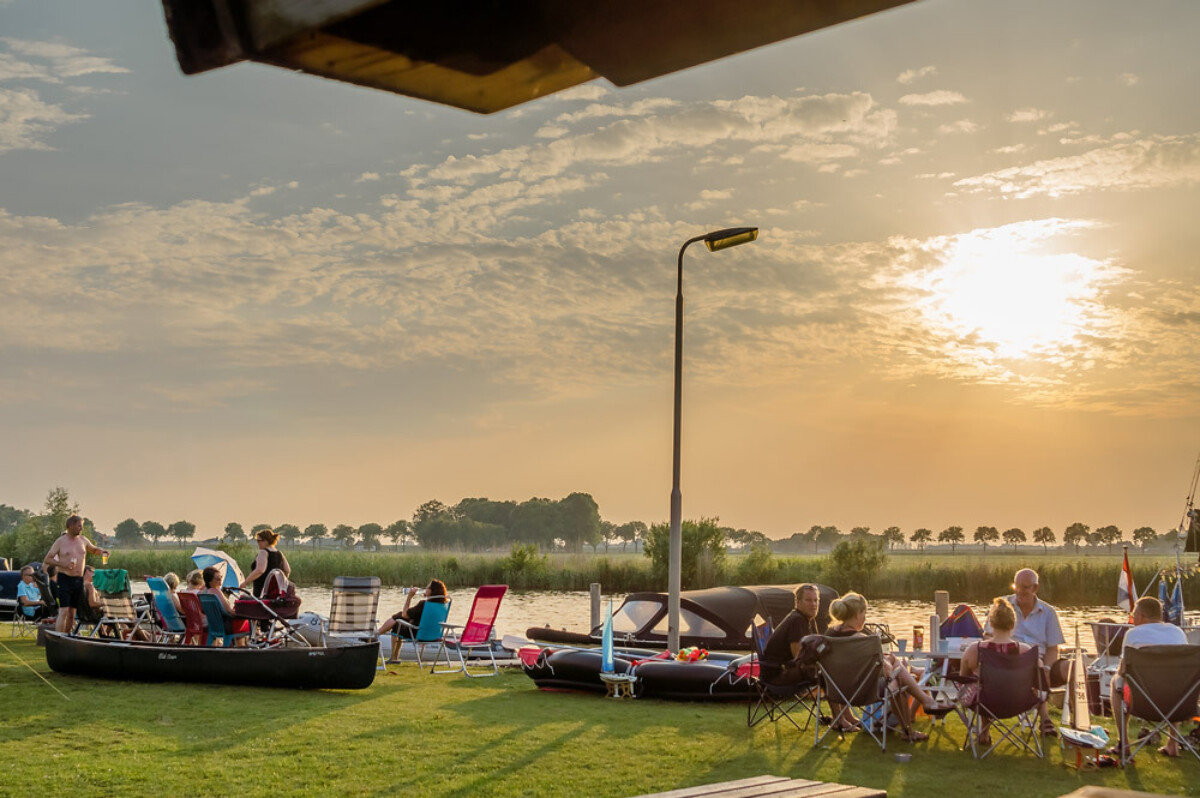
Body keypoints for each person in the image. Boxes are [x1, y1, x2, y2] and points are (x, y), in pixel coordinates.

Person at [825, 592, 945, 740]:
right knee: (897, 679)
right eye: (864, 613)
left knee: (895, 671)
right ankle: (914, 722)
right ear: (857, 614)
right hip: (865, 693)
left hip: (837, 691)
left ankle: (924, 704)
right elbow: (885, 671)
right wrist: (891, 660)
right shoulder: (862, 641)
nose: (865, 618)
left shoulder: (829, 635)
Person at [1110, 596, 1189, 757]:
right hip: (1177, 703)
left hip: (1142, 703)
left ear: (1140, 615)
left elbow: (1122, 671)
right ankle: (1172, 744)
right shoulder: (1178, 632)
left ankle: (1123, 743)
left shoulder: (1133, 634)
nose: (1132, 618)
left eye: (1133, 614)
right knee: (1176, 684)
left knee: (1115, 682)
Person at [993, 568, 1067, 735]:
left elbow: (1052, 648)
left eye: (1025, 587)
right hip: (1009, 661)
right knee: (1030, 667)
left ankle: (1079, 724)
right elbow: (988, 637)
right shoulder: (1003, 607)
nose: (1020, 591)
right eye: (1017, 586)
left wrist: (1047, 668)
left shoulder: (1048, 612)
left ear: (1035, 588)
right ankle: (1045, 718)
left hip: (1041, 661)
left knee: (1073, 668)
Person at [958, 597, 1035, 748]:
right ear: (1013, 625)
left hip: (984, 702)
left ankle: (984, 733)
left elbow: (963, 678)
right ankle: (985, 733)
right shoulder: (1026, 651)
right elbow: (1039, 678)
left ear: (991, 624)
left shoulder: (975, 649)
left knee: (981, 686)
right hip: (1018, 702)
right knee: (990, 686)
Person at [43, 514, 109, 634]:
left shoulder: (83, 540)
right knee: (63, 610)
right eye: (79, 526)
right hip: (64, 578)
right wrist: (63, 564)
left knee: (72, 613)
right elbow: (48, 559)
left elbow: (93, 549)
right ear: (70, 525)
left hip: (78, 580)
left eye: (81, 526)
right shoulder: (60, 541)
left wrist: (102, 551)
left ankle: (67, 636)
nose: (81, 528)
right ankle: (59, 637)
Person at [761, 584, 821, 683]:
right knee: (825, 673)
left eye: (816, 600)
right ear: (797, 602)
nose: (813, 604)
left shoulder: (808, 619)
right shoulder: (797, 620)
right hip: (777, 675)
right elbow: (798, 657)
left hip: (784, 670)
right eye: (808, 600)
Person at [378, 579, 449, 638]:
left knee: (397, 624)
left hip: (419, 634)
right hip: (435, 635)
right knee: (399, 616)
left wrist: (409, 597)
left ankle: (377, 635)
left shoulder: (423, 604)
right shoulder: (443, 606)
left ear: (432, 591)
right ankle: (377, 633)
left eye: (427, 588)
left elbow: (404, 615)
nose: (425, 589)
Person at [203, 566, 249, 646]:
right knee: (248, 619)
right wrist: (244, 613)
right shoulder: (216, 591)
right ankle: (243, 646)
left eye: (221, 577)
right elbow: (229, 611)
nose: (220, 580)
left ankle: (240, 646)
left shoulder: (205, 592)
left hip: (214, 625)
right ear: (210, 581)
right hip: (226, 626)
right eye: (217, 579)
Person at [240, 528, 291, 596]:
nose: (258, 543)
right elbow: (287, 570)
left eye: (259, 541)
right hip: (276, 594)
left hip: (262, 592)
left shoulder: (263, 552)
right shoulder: (280, 553)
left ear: (266, 541)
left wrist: (245, 583)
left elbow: (260, 570)